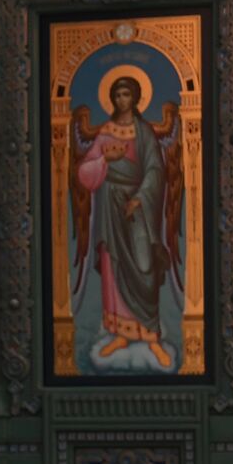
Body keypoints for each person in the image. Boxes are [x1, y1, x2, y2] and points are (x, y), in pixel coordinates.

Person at [72, 75, 174, 370]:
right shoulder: (105, 132)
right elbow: (84, 174)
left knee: (144, 267)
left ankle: (151, 336)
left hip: (139, 208)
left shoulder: (144, 132)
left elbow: (156, 170)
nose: (121, 100)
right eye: (117, 95)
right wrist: (104, 161)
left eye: (126, 94)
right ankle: (119, 333)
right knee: (113, 266)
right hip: (110, 207)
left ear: (137, 97)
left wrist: (140, 198)